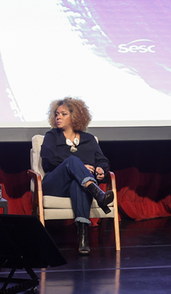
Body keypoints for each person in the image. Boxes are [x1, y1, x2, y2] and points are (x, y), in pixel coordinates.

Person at [41, 97, 114, 255]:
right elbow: (49, 161)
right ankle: (97, 193)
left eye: (63, 114)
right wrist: (80, 165)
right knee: (73, 161)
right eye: (56, 114)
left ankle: (83, 239)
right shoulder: (52, 136)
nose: (58, 117)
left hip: (78, 185)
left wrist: (101, 170)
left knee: (79, 184)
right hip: (54, 184)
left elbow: (102, 160)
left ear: (75, 116)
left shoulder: (89, 139)